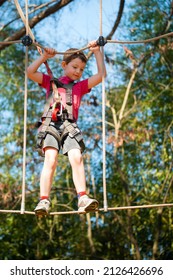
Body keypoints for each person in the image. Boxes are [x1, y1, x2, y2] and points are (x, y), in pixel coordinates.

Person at [27, 40, 106, 216]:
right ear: (64, 65)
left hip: (69, 126)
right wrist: (44, 57)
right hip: (51, 125)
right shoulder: (50, 82)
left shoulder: (80, 87)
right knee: (51, 159)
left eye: (81, 69)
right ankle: (44, 199)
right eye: (74, 67)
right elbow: (30, 72)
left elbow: (101, 75)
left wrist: (97, 52)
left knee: (76, 157)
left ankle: (83, 198)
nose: (78, 72)